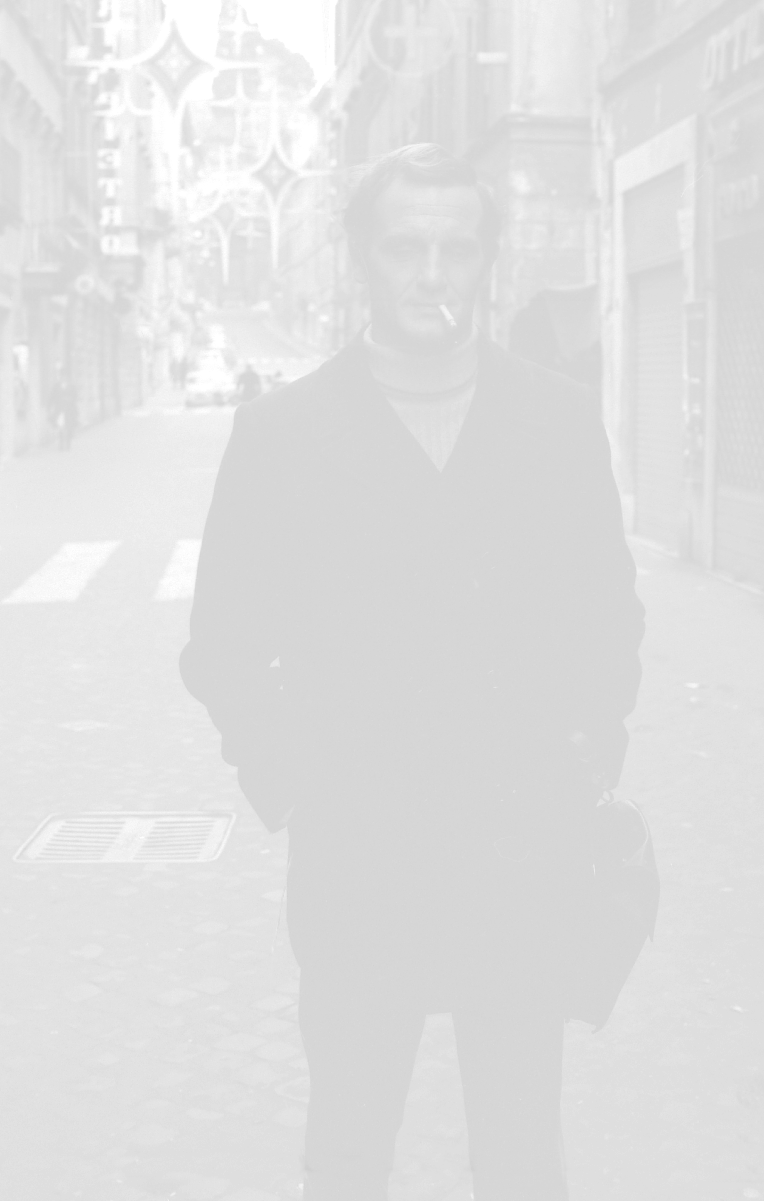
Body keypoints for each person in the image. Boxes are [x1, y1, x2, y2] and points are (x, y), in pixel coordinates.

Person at [179, 144, 646, 1201]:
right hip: (359, 857)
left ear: (486, 259)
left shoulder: (554, 419)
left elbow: (607, 615)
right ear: (361, 258)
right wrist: (291, 778)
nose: (432, 273)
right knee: (350, 1145)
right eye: (404, 248)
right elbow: (221, 643)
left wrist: (587, 751)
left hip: (519, 849)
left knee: (520, 1149)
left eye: (456, 248)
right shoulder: (284, 434)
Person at [47, 374, 77, 450]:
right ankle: (61, 445)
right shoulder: (56, 386)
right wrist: (49, 406)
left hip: (69, 409)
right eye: (62, 377)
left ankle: (68, 444)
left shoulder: (71, 386)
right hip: (60, 409)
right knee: (60, 426)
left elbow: (75, 396)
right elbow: (52, 396)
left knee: (69, 426)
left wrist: (70, 399)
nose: (63, 378)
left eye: (65, 377)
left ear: (67, 378)